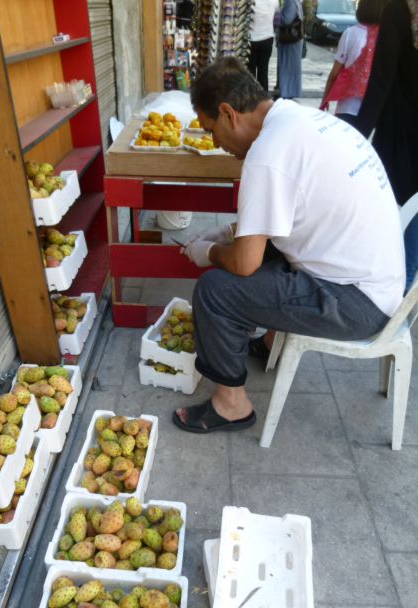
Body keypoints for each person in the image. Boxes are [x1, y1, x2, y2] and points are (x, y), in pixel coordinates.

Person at [172, 57, 405, 434]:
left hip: (357, 303)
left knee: (215, 292)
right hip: (380, 283)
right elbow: (291, 215)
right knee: (267, 251)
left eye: (211, 129)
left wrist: (210, 252)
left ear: (229, 113)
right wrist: (231, 232)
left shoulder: (267, 154)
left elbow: (244, 265)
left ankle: (231, 405)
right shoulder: (301, 120)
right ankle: (267, 344)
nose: (215, 143)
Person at [352, 0, 418, 291]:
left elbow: (382, 78)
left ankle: (387, 296)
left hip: (400, 132)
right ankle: (399, 299)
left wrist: (353, 138)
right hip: (402, 132)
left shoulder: (400, 8)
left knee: (390, 216)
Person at [320, 0, 388, 123]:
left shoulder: (350, 34)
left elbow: (334, 74)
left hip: (347, 106)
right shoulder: (385, 37)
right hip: (372, 108)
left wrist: (325, 100)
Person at [248, 0, 280, 91]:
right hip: (267, 38)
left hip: (252, 39)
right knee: (263, 70)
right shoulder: (274, 1)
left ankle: (251, 94)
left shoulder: (250, 2)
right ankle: (263, 96)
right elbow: (277, 14)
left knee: (251, 71)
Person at [276, 0, 303, 99]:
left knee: (287, 66)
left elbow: (286, 19)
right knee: (290, 67)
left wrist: (275, 17)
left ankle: (287, 92)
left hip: (290, 41)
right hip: (293, 40)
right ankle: (288, 91)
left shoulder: (290, 1)